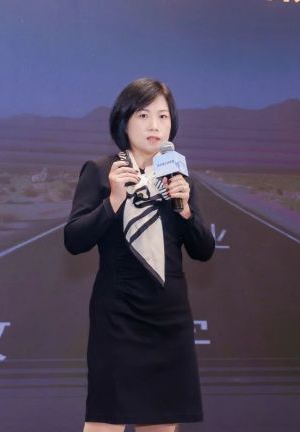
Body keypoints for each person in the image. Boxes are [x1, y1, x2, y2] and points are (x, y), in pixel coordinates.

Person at [64, 78, 215, 432]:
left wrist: (186, 211)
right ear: (124, 120)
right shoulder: (104, 171)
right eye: (144, 115)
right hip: (118, 317)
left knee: (161, 423)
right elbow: (74, 239)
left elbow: (204, 250)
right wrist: (113, 200)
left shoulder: (179, 178)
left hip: (169, 318)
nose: (154, 126)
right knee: (105, 421)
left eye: (163, 116)